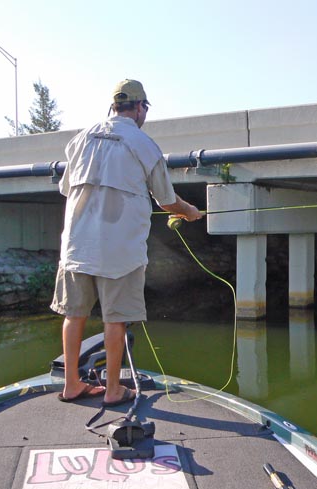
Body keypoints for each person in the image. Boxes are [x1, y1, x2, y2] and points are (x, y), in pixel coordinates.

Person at [51, 79, 203, 406]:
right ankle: (113, 390)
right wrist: (190, 211)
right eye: (145, 107)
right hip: (119, 253)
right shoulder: (143, 144)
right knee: (115, 318)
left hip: (76, 248)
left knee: (73, 314)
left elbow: (66, 188)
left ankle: (72, 385)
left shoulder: (79, 140)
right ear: (139, 107)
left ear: (113, 106)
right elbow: (165, 200)